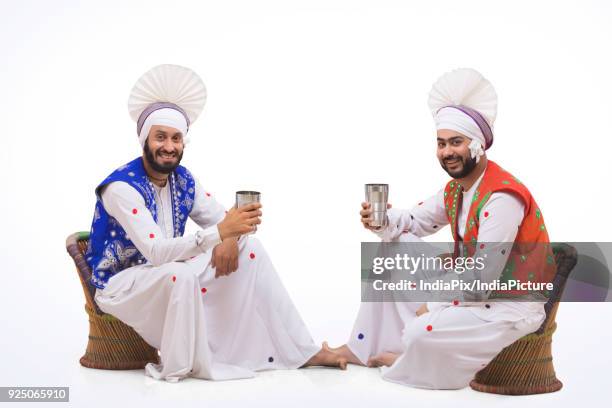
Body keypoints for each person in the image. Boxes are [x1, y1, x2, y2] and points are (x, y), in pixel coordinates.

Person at [85, 64, 346, 383]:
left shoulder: (182, 180)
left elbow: (222, 218)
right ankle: (183, 365)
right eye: (160, 137)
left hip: (165, 271)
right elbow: (155, 252)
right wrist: (221, 233)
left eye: (176, 138)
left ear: (184, 142)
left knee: (249, 247)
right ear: (145, 140)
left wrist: (230, 236)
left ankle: (302, 350)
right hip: (121, 284)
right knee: (179, 273)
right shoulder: (121, 188)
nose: (169, 146)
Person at [325, 68, 556, 389]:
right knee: (395, 244)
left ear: (478, 146)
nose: (447, 152)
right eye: (441, 143)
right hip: (473, 292)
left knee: (422, 331)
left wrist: (432, 303)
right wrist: (383, 222)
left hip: (509, 304)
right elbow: (414, 222)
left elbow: (483, 276)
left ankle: (410, 354)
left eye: (456, 142)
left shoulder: (501, 197)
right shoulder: (457, 190)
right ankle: (366, 345)